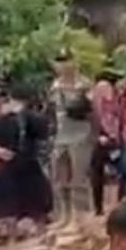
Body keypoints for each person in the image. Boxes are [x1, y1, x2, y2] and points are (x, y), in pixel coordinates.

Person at [0, 84, 54, 233]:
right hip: (20, 162)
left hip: (15, 163)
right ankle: (33, 233)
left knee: (14, 205)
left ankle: (15, 237)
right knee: (32, 203)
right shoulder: (21, 116)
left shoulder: (6, 117)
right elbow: (44, 136)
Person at [51, 49, 96, 226]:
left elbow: (93, 111)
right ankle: (65, 215)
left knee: (79, 177)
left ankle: (82, 216)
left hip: (80, 133)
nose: (63, 65)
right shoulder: (55, 85)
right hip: (61, 135)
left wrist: (95, 133)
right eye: (60, 61)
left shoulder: (84, 84)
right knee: (60, 177)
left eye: (66, 61)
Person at [91, 71, 125, 217]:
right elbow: (98, 116)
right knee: (119, 170)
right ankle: (104, 207)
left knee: (118, 170)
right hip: (108, 138)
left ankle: (106, 206)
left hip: (111, 138)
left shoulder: (118, 98)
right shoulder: (108, 95)